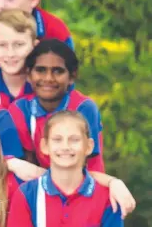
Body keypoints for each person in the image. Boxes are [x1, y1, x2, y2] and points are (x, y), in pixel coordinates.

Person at [9, 39, 104, 172]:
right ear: (29, 75)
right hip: (39, 183)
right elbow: (26, 163)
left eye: (58, 71)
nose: (48, 78)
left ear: (72, 76)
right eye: (40, 70)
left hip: (85, 182)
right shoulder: (21, 109)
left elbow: (90, 164)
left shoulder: (83, 108)